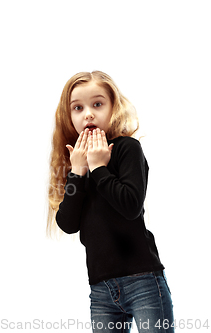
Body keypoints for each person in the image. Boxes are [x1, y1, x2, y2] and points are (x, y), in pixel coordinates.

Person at [47, 71, 174, 332]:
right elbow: (68, 223)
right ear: (69, 117)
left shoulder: (126, 148)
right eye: (78, 108)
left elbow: (130, 205)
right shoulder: (77, 164)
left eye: (97, 104)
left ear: (113, 107)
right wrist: (78, 172)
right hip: (102, 289)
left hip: (143, 281)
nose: (88, 114)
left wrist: (99, 168)